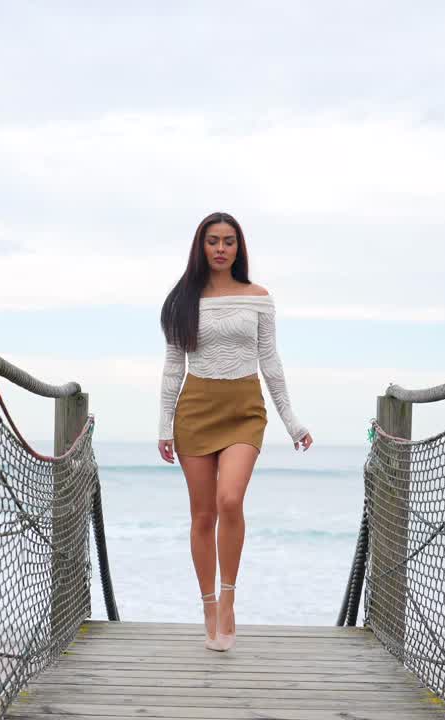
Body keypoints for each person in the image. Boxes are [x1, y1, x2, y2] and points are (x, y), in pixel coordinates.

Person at [157, 211, 313, 652]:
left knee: (230, 499)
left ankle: (229, 597)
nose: (221, 248)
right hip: (195, 410)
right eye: (213, 241)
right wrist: (164, 425)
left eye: (228, 241)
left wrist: (291, 421)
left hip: (245, 408)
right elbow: (173, 367)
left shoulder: (258, 297)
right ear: (201, 246)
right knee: (202, 515)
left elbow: (271, 362)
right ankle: (207, 604)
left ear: (239, 247)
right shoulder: (180, 301)